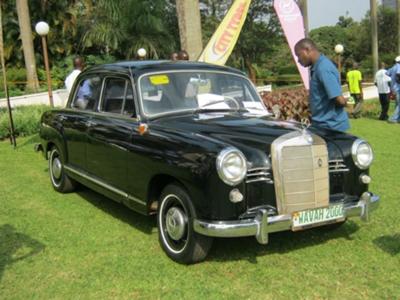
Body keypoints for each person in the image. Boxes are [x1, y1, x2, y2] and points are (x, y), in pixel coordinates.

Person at [294, 38, 349, 132]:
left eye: (299, 55)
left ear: (307, 50)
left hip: (331, 128)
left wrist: (346, 103)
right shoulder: (317, 67)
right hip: (322, 125)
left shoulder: (323, 68)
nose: (298, 60)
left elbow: (339, 100)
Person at [387, 56, 400, 123]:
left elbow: (387, 73)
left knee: (397, 104)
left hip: (393, 88)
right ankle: (393, 119)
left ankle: (398, 119)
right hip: (398, 88)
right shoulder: (399, 66)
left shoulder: (393, 67)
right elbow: (398, 75)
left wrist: (393, 78)